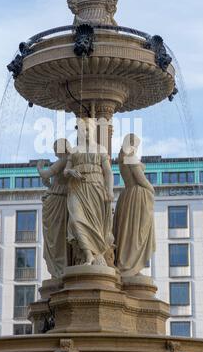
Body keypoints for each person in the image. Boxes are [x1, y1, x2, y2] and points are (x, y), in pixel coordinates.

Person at [64, 118, 114, 266]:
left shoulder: (100, 149)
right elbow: (65, 171)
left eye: (87, 129)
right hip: (76, 189)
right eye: (81, 129)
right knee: (75, 220)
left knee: (95, 225)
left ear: (93, 130)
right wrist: (71, 171)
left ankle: (95, 254)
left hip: (95, 188)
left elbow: (109, 173)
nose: (84, 132)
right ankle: (88, 254)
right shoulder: (74, 150)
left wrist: (110, 191)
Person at [114, 134, 156, 277]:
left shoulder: (122, 158)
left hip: (127, 195)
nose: (136, 148)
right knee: (135, 233)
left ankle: (127, 264)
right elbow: (141, 179)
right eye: (136, 145)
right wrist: (152, 189)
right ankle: (129, 266)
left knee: (127, 231)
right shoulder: (131, 158)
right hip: (137, 197)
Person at [37, 139, 71, 279]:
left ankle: (60, 269)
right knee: (57, 236)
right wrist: (49, 185)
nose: (55, 150)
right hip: (57, 199)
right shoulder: (66, 160)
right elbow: (56, 184)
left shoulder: (64, 160)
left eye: (56, 147)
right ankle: (60, 268)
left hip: (58, 202)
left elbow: (46, 174)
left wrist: (39, 167)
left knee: (57, 236)